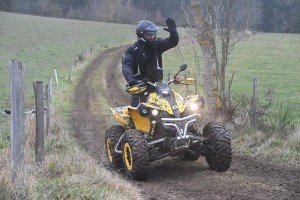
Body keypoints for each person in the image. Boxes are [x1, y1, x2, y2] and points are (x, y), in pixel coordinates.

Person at [122, 18, 179, 107]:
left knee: (170, 109)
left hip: (158, 87)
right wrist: (131, 80)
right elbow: (127, 66)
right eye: (149, 35)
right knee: (137, 115)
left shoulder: (157, 45)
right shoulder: (132, 50)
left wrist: (174, 33)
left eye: (153, 34)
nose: (152, 37)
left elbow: (172, 42)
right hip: (139, 88)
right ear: (141, 35)